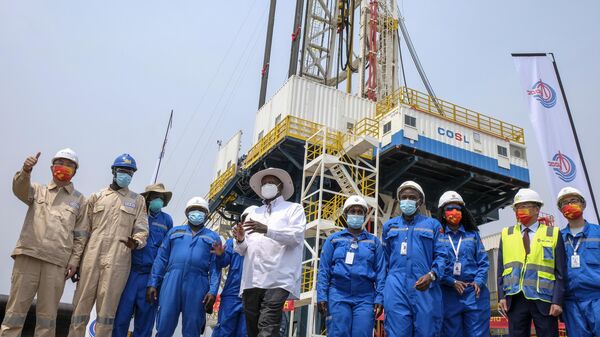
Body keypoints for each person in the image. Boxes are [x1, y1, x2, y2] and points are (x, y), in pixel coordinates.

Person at [1, 149, 86, 337]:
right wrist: (25, 170)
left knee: (47, 318)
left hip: (57, 264)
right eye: (60, 162)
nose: (63, 167)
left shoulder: (80, 200)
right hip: (28, 256)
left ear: (75, 171)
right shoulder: (37, 190)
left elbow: (80, 236)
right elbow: (20, 190)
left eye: (68, 164)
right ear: (51, 168)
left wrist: (74, 260)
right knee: (15, 312)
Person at [68, 154, 148, 337]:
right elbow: (82, 232)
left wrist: (136, 242)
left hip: (118, 259)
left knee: (107, 312)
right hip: (91, 256)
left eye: (129, 172)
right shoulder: (96, 197)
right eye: (122, 171)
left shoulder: (137, 201)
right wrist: (76, 260)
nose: (125, 175)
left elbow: (142, 229)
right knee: (81, 307)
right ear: (113, 171)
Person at [232, 167, 306, 337]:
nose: (267, 185)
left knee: (268, 326)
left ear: (280, 186)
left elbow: (295, 236)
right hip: (252, 280)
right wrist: (241, 239)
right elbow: (242, 251)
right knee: (253, 330)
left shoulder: (293, 209)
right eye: (264, 183)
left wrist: (267, 230)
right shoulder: (253, 212)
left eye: (271, 182)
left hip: (278, 278)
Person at [147, 196, 221, 337]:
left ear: (206, 214)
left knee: (193, 326)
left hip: (198, 284)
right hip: (171, 281)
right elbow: (161, 259)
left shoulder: (213, 237)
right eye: (193, 210)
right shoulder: (174, 232)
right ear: (187, 212)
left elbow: (215, 268)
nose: (197, 213)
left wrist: (212, 291)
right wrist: (152, 283)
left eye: (201, 210)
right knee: (164, 324)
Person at [497, 188, 566, 337]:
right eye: (517, 207)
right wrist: (501, 296)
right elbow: (500, 269)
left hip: (544, 300)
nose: (520, 210)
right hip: (515, 298)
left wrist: (557, 301)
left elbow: (560, 272)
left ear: (537, 209)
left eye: (525, 206)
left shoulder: (552, 234)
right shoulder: (506, 234)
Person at [382, 180, 447, 337]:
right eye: (404, 197)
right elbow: (383, 261)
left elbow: (443, 256)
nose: (407, 200)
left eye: (412, 197)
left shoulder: (433, 225)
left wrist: (432, 276)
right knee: (396, 332)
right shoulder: (389, 226)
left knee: (427, 331)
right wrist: (381, 292)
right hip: (395, 287)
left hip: (425, 287)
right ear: (399, 200)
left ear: (420, 201)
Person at [316, 195, 385, 337]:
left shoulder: (373, 242)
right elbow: (324, 270)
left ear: (365, 215)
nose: (356, 214)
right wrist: (322, 295)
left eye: (360, 212)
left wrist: (379, 298)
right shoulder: (333, 240)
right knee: (338, 333)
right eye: (352, 211)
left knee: (362, 333)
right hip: (338, 294)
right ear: (346, 214)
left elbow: (381, 272)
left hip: (365, 297)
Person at [112, 183, 174, 337]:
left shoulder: (167, 221)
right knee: (121, 316)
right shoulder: (136, 215)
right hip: (130, 273)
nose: (158, 200)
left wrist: (156, 280)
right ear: (147, 198)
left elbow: (166, 251)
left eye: (160, 198)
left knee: (145, 320)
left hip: (151, 276)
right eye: (154, 197)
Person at [437, 191, 490, 337]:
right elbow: (434, 264)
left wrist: (479, 281)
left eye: (458, 209)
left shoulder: (473, 235)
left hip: (473, 293)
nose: (454, 212)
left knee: (478, 334)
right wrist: (451, 281)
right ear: (443, 213)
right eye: (449, 209)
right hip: (448, 293)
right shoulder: (437, 236)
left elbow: (483, 262)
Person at [557, 187, 600, 337]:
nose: (569, 205)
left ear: (583, 204)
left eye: (573, 201)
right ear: (561, 210)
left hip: (597, 299)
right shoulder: (558, 238)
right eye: (564, 203)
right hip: (571, 302)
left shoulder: (598, 232)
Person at [212, 205, 258, 337]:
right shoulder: (232, 242)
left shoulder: (262, 244)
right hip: (232, 294)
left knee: (245, 333)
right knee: (224, 331)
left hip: (250, 295)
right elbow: (223, 262)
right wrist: (220, 254)